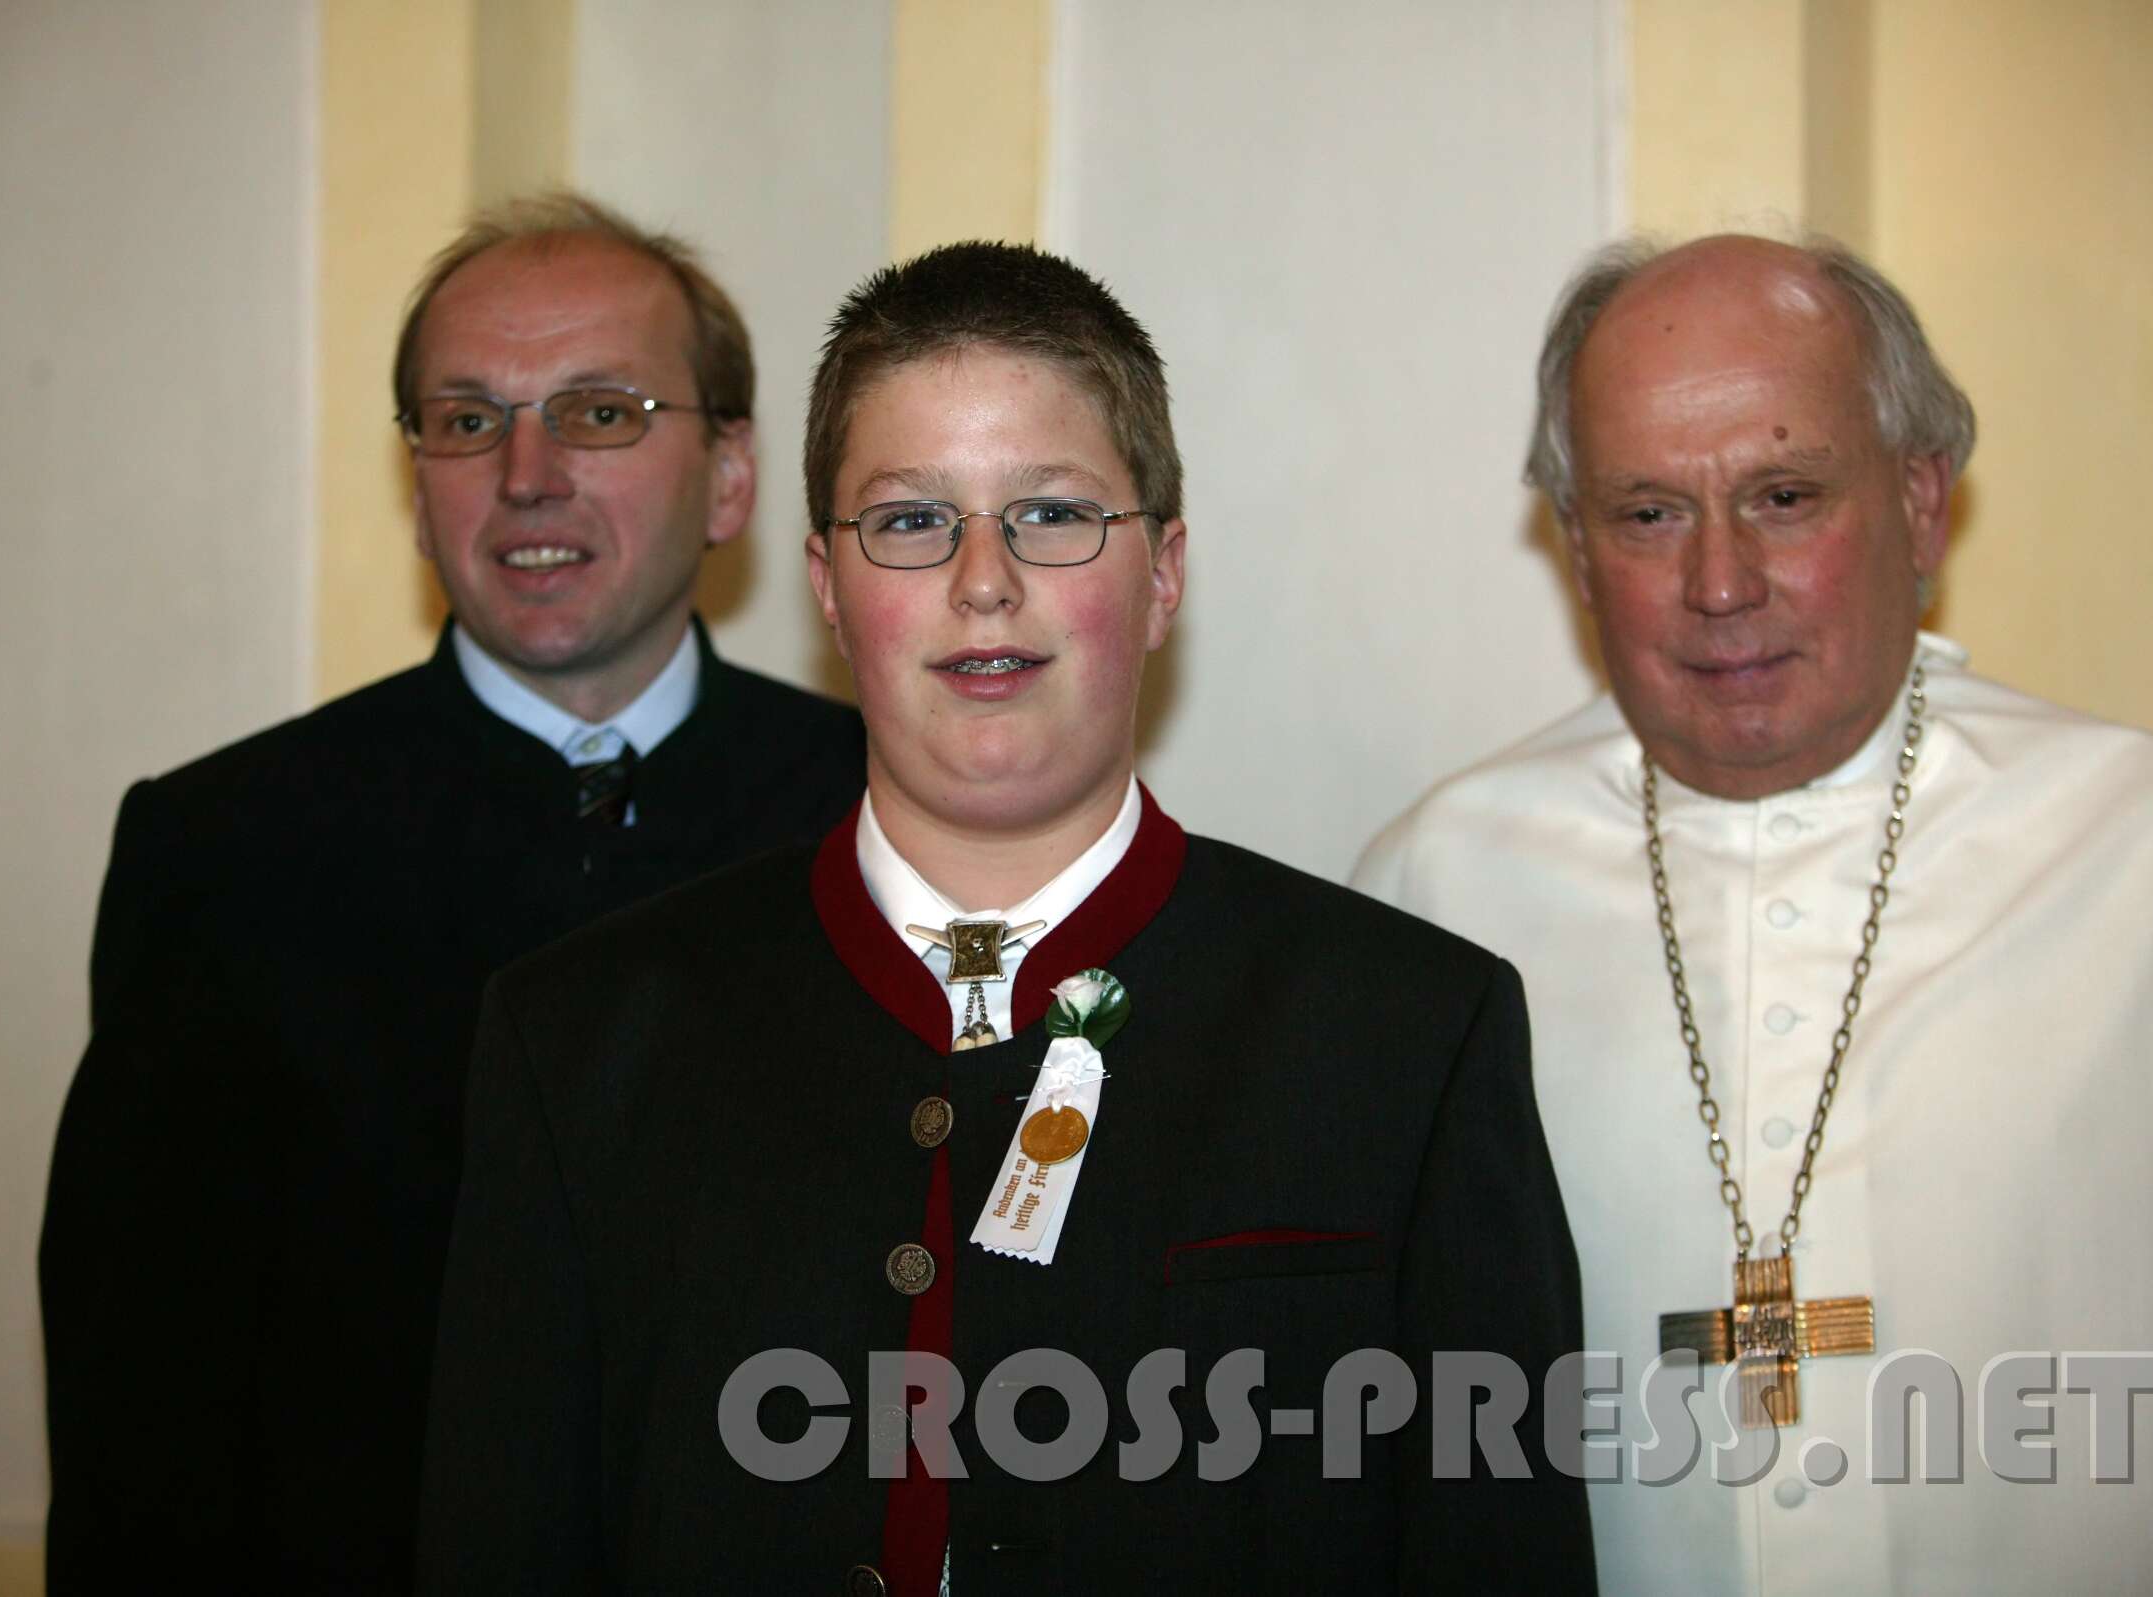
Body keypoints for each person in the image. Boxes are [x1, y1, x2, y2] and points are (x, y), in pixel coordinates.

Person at [418, 241, 1597, 1592]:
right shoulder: (581, 1044)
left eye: (1050, 513)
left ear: (1163, 574)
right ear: (827, 586)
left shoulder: (1406, 1036)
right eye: (912, 521)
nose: (984, 579)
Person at [1356, 233, 2153, 1593]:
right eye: (1648, 514)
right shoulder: (1436, 891)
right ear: (1575, 547)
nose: (1720, 584)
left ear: (1922, 503)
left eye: (1784, 496)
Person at [37, 192, 866, 1593]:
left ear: (730, 477)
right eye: (469, 420)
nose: (527, 474)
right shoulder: (227, 850)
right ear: (419, 489)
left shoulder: (888, 819)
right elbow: (145, 1406)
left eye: (599, 412)